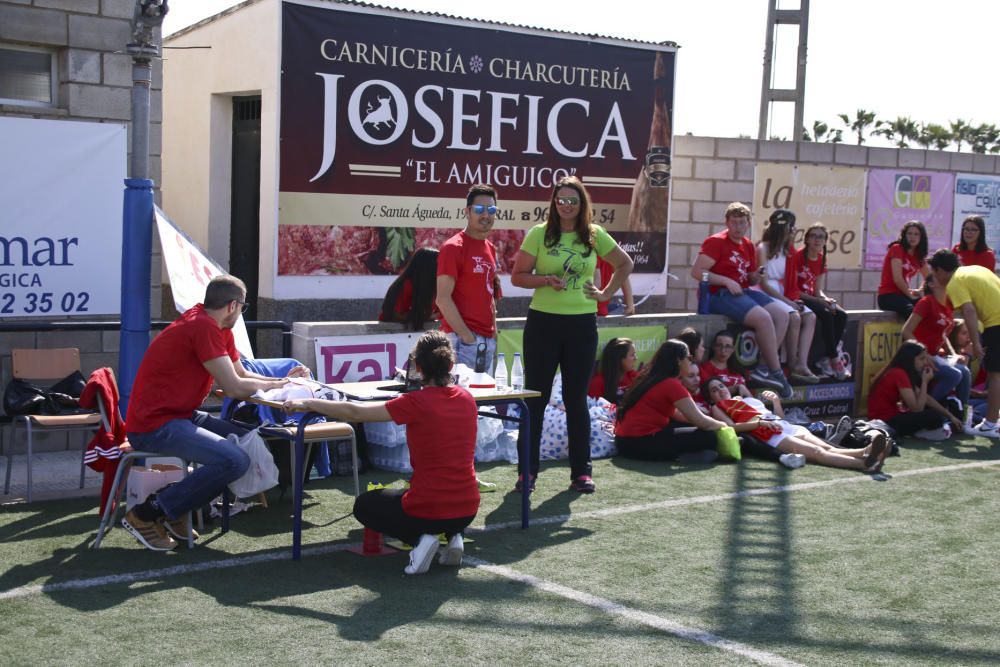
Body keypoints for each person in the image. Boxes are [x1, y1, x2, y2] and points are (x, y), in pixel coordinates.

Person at [123, 275, 302, 551]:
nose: (242, 313)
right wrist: (283, 388)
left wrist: (283, 383)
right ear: (233, 306)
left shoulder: (214, 326)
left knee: (245, 438)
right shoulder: (204, 328)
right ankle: (149, 512)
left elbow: (241, 373)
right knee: (235, 460)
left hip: (178, 415)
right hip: (154, 425)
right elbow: (233, 387)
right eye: (244, 307)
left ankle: (178, 508)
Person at [282, 331, 479, 575]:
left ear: (417, 367)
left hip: (429, 508)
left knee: (364, 505)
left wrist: (309, 403)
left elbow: (355, 413)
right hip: (469, 509)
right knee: (429, 496)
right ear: (450, 364)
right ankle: (454, 537)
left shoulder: (415, 402)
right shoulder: (468, 398)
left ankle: (422, 539)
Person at [511, 175, 634, 494]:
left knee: (575, 399)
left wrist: (606, 294)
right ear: (553, 203)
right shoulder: (539, 234)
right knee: (535, 398)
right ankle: (528, 472)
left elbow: (624, 263)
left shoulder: (594, 235)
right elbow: (518, 277)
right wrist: (546, 280)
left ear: (583, 205)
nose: (565, 205)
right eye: (560, 199)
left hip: (581, 324)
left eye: (572, 200)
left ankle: (581, 472)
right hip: (542, 323)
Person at [690, 202, 793, 399]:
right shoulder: (716, 241)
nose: (738, 227)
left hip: (742, 292)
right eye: (734, 222)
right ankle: (777, 372)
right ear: (727, 223)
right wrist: (725, 281)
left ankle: (763, 368)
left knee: (783, 314)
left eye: (742, 223)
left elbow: (748, 278)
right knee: (763, 318)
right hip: (718, 295)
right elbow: (697, 273)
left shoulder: (747, 244)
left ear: (748, 223)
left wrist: (756, 275)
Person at [704, 379, 889, 473]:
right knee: (817, 453)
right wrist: (758, 423)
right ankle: (863, 463)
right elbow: (731, 427)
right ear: (710, 397)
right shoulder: (717, 407)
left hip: (783, 425)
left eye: (721, 386)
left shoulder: (747, 399)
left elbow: (780, 417)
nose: (720, 390)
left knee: (825, 446)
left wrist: (776, 401)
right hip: (770, 434)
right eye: (714, 390)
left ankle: (868, 452)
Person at [615, 340, 733, 461]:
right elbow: (702, 422)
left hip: (623, 442)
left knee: (686, 426)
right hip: (640, 443)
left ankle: (690, 455)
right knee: (709, 436)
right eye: (689, 357)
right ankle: (681, 457)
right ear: (678, 360)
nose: (691, 361)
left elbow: (680, 416)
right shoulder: (670, 384)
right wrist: (725, 426)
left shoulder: (648, 377)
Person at [928, 249, 1000, 438]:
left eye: (934, 272)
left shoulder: (955, 281)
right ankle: (993, 421)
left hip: (996, 323)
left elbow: (969, 311)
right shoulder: (976, 270)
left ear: (941, 270)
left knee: (995, 376)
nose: (934, 277)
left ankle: (991, 424)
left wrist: (976, 342)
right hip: (994, 322)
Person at [437, 184, 501, 371]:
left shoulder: (490, 248)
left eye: (491, 210)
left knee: (483, 400)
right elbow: (442, 299)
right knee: (460, 399)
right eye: (479, 209)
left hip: (486, 340)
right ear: (467, 211)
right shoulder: (453, 247)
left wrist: (494, 333)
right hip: (462, 341)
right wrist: (467, 337)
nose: (486, 215)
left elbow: (489, 294)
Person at [754, 209, 819, 384]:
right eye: (792, 227)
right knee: (792, 316)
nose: (794, 231)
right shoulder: (763, 248)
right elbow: (764, 283)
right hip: (765, 291)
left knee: (810, 316)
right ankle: (768, 364)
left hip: (782, 292)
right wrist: (788, 302)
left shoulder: (788, 250)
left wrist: (792, 299)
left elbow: (790, 280)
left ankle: (800, 364)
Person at [901, 275, 971, 421]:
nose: (948, 281)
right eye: (943, 278)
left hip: (935, 356)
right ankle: (925, 410)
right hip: (919, 357)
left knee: (964, 371)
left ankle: (963, 418)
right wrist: (924, 355)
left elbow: (943, 335)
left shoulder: (948, 304)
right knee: (954, 374)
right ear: (931, 284)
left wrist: (954, 355)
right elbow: (906, 331)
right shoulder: (926, 302)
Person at [867, 340, 962, 440]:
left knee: (938, 411)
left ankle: (935, 428)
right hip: (885, 422)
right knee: (934, 417)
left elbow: (927, 399)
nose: (925, 362)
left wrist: (950, 416)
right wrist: (925, 382)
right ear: (910, 359)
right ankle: (922, 432)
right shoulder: (899, 374)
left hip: (887, 419)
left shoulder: (900, 372)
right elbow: (917, 409)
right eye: (921, 359)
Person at [793, 222, 850, 380]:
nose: (817, 240)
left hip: (814, 297)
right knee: (826, 314)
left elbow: (817, 289)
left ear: (825, 241)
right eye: (813, 236)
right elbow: (794, 290)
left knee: (841, 315)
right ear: (806, 239)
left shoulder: (821, 258)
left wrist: (826, 299)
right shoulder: (798, 256)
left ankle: (826, 357)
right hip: (800, 298)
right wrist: (819, 301)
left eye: (821, 237)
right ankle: (834, 358)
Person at [877, 221, 930, 319]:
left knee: (928, 309)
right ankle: (908, 334)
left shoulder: (919, 255)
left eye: (916, 234)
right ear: (904, 235)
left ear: (921, 237)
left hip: (904, 295)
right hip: (888, 296)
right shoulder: (897, 248)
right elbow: (897, 279)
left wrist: (921, 290)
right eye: (909, 233)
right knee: (911, 311)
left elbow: (929, 278)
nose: (912, 237)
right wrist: (910, 295)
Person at [378, 247, 439, 331]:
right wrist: (425, 317)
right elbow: (397, 314)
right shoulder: (408, 284)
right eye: (438, 264)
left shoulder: (434, 285)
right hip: (392, 333)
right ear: (428, 267)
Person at [699, 329, 752, 398]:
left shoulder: (739, 369)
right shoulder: (704, 369)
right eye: (719, 345)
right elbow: (709, 395)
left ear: (733, 349)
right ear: (713, 347)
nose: (723, 350)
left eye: (728, 346)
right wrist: (736, 388)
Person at [588, 337, 638, 404]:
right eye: (632, 355)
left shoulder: (634, 377)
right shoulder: (597, 383)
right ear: (619, 359)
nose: (636, 358)